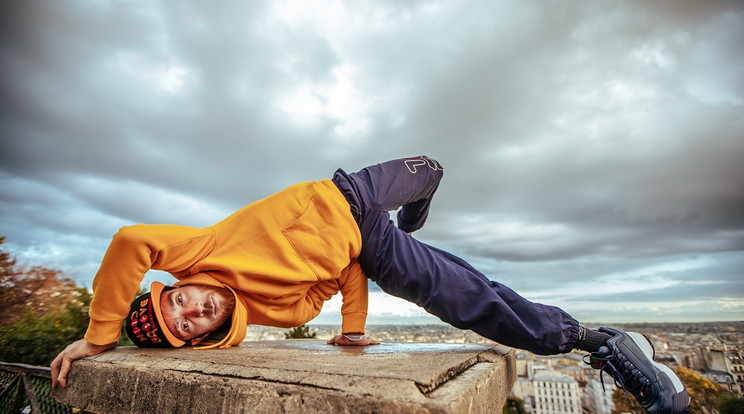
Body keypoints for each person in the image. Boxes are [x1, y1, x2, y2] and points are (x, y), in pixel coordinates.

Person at [51, 156, 689, 414]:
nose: (193, 307)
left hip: (347, 192)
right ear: (204, 340)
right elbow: (346, 275)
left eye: (176, 299)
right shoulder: (269, 313)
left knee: (419, 174)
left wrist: (100, 338)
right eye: (186, 325)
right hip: (370, 245)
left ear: (174, 284)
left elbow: (131, 241)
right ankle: (596, 339)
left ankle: (427, 179)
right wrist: (353, 330)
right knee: (458, 292)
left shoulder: (199, 251)